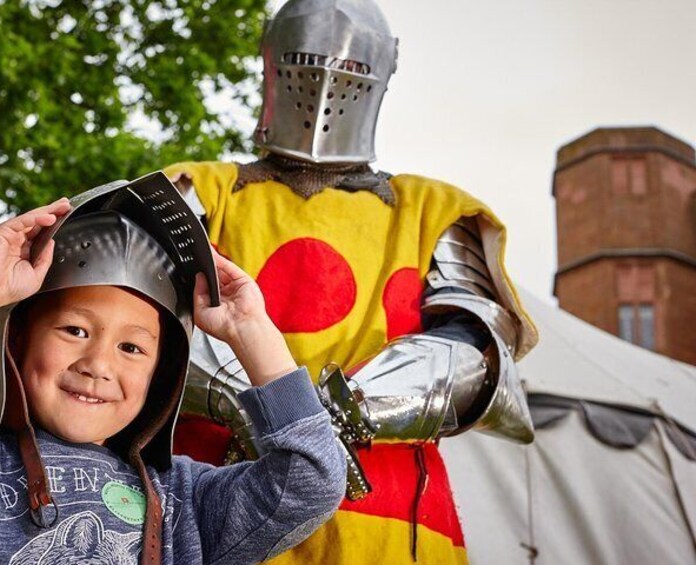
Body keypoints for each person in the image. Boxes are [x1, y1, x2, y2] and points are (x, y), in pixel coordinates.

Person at [165, 1, 539, 563]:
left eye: (348, 72)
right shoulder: (200, 191)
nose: (322, 87)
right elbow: (138, 322)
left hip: (389, 518)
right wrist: (266, 409)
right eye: (305, 63)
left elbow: (476, 354)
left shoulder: (432, 210)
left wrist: (338, 412)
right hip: (219, 500)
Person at [0, 173, 346, 565]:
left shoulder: (187, 505)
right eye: (75, 331)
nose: (97, 364)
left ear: (162, 373)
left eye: (132, 348)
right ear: (17, 342)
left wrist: (250, 330)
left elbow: (311, 480)